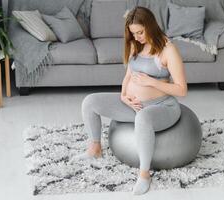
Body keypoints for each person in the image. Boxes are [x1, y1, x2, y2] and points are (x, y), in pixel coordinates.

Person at [69, 6, 187, 195]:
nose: (137, 37)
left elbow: (181, 90)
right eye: (133, 33)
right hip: (134, 105)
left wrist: (151, 82)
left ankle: (144, 175)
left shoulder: (168, 50)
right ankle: (95, 149)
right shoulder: (135, 45)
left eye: (140, 32)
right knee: (90, 102)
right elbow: (127, 77)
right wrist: (124, 96)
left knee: (143, 119)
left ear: (151, 26)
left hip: (162, 106)